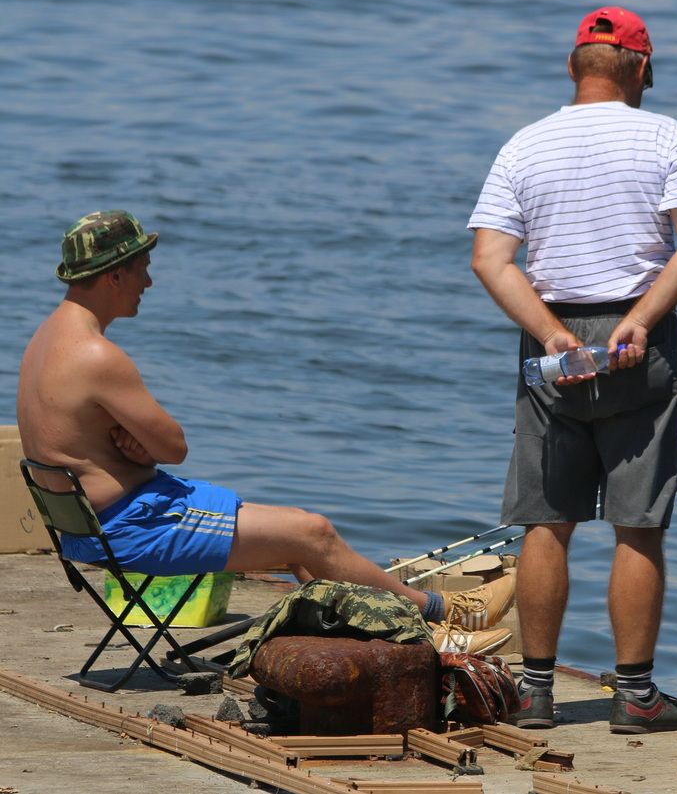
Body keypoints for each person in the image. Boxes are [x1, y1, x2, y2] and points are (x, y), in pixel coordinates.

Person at [17, 209, 513, 655]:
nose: (148, 280)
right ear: (115, 274)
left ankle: (408, 635)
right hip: (135, 526)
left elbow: (104, 450)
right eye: (143, 267)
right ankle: (441, 614)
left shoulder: (45, 341)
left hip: (101, 521)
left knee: (300, 528)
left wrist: (138, 455)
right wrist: (146, 452)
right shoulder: (97, 356)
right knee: (311, 534)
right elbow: (174, 446)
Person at [468, 6, 677, 732]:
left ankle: (536, 691)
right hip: (639, 337)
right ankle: (635, 696)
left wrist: (550, 335)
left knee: (546, 520)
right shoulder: (667, 135)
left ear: (573, 68)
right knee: (638, 524)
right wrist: (642, 320)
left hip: (553, 338)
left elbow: (490, 258)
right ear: (641, 68)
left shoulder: (525, 144)